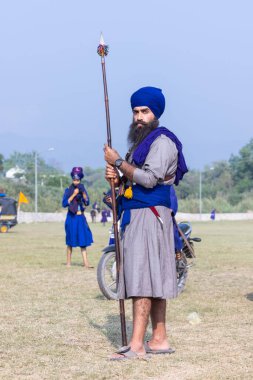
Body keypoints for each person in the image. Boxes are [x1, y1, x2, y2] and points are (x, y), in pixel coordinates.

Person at [104, 86, 188, 360]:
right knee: (151, 276)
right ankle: (159, 339)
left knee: (142, 278)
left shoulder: (162, 141)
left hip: (150, 214)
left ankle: (137, 345)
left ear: (156, 113)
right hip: (139, 214)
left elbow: (150, 179)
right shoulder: (142, 142)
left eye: (145, 111)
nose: (139, 117)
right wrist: (117, 177)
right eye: (136, 111)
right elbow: (134, 177)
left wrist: (117, 161)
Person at [62, 167, 94, 268]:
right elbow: (64, 203)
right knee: (70, 240)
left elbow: (87, 202)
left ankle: (86, 263)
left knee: (83, 240)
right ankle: (68, 263)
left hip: (81, 218)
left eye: (78, 180)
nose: (76, 182)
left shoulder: (82, 189)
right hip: (71, 217)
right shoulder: (68, 189)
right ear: (72, 179)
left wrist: (83, 194)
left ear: (80, 180)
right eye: (74, 180)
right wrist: (73, 195)